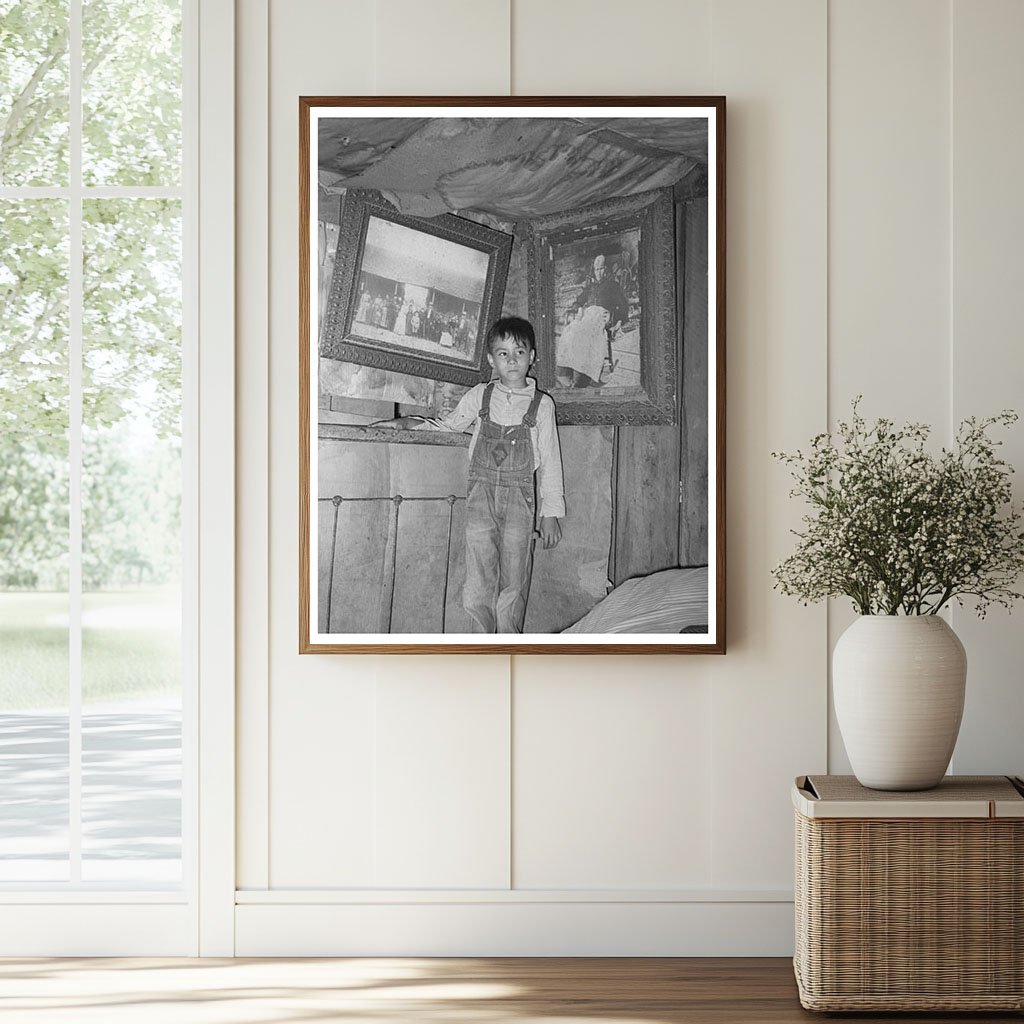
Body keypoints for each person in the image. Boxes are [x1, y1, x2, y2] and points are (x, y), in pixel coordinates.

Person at [385, 316, 564, 633]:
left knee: (515, 574)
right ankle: (482, 638)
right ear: (491, 358)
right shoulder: (480, 395)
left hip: (521, 502)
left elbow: (550, 459)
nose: (511, 360)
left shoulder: (543, 405)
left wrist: (551, 512)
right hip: (480, 497)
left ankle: (509, 641)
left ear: (532, 357)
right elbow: (450, 425)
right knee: (479, 572)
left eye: (519, 352)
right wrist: (412, 423)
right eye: (503, 353)